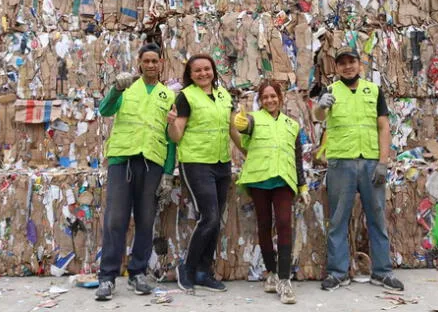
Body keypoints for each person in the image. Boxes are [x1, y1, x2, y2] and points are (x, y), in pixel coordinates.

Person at [313, 47, 404, 292]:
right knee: (339, 220)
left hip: (370, 163)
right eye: (342, 63)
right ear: (337, 67)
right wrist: (321, 105)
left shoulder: (373, 91)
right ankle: (338, 273)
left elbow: (384, 127)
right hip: (340, 162)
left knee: (376, 218)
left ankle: (382, 272)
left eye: (351, 61)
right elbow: (319, 116)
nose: (347, 66)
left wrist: (383, 162)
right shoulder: (331, 91)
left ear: (358, 64)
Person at [95, 43, 176, 301]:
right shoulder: (126, 87)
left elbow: (171, 138)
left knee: (145, 219)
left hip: (152, 162)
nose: (151, 65)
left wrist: (168, 173)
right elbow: (105, 110)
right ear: (139, 63)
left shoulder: (168, 96)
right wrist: (115, 88)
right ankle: (107, 277)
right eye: (146, 61)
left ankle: (137, 273)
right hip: (123, 160)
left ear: (161, 63)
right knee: (116, 219)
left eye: (155, 61)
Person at [167, 54, 242, 294]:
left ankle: (203, 272)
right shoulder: (186, 97)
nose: (203, 74)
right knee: (208, 217)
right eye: (197, 71)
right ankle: (186, 269)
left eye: (206, 69)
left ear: (213, 71)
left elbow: (232, 128)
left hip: (222, 162)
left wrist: (249, 153)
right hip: (197, 163)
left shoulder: (224, 95)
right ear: (190, 75)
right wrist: (171, 123)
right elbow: (177, 135)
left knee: (216, 219)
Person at [233, 80, 310, 304]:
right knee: (264, 225)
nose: (269, 100)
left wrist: (302, 186)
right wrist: (241, 124)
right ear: (260, 100)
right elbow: (244, 127)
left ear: (280, 98)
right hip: (259, 180)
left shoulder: (292, 125)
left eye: (273, 96)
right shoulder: (254, 120)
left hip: (284, 181)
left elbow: (297, 158)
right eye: (265, 97)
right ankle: (272, 273)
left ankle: (284, 280)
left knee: (284, 223)